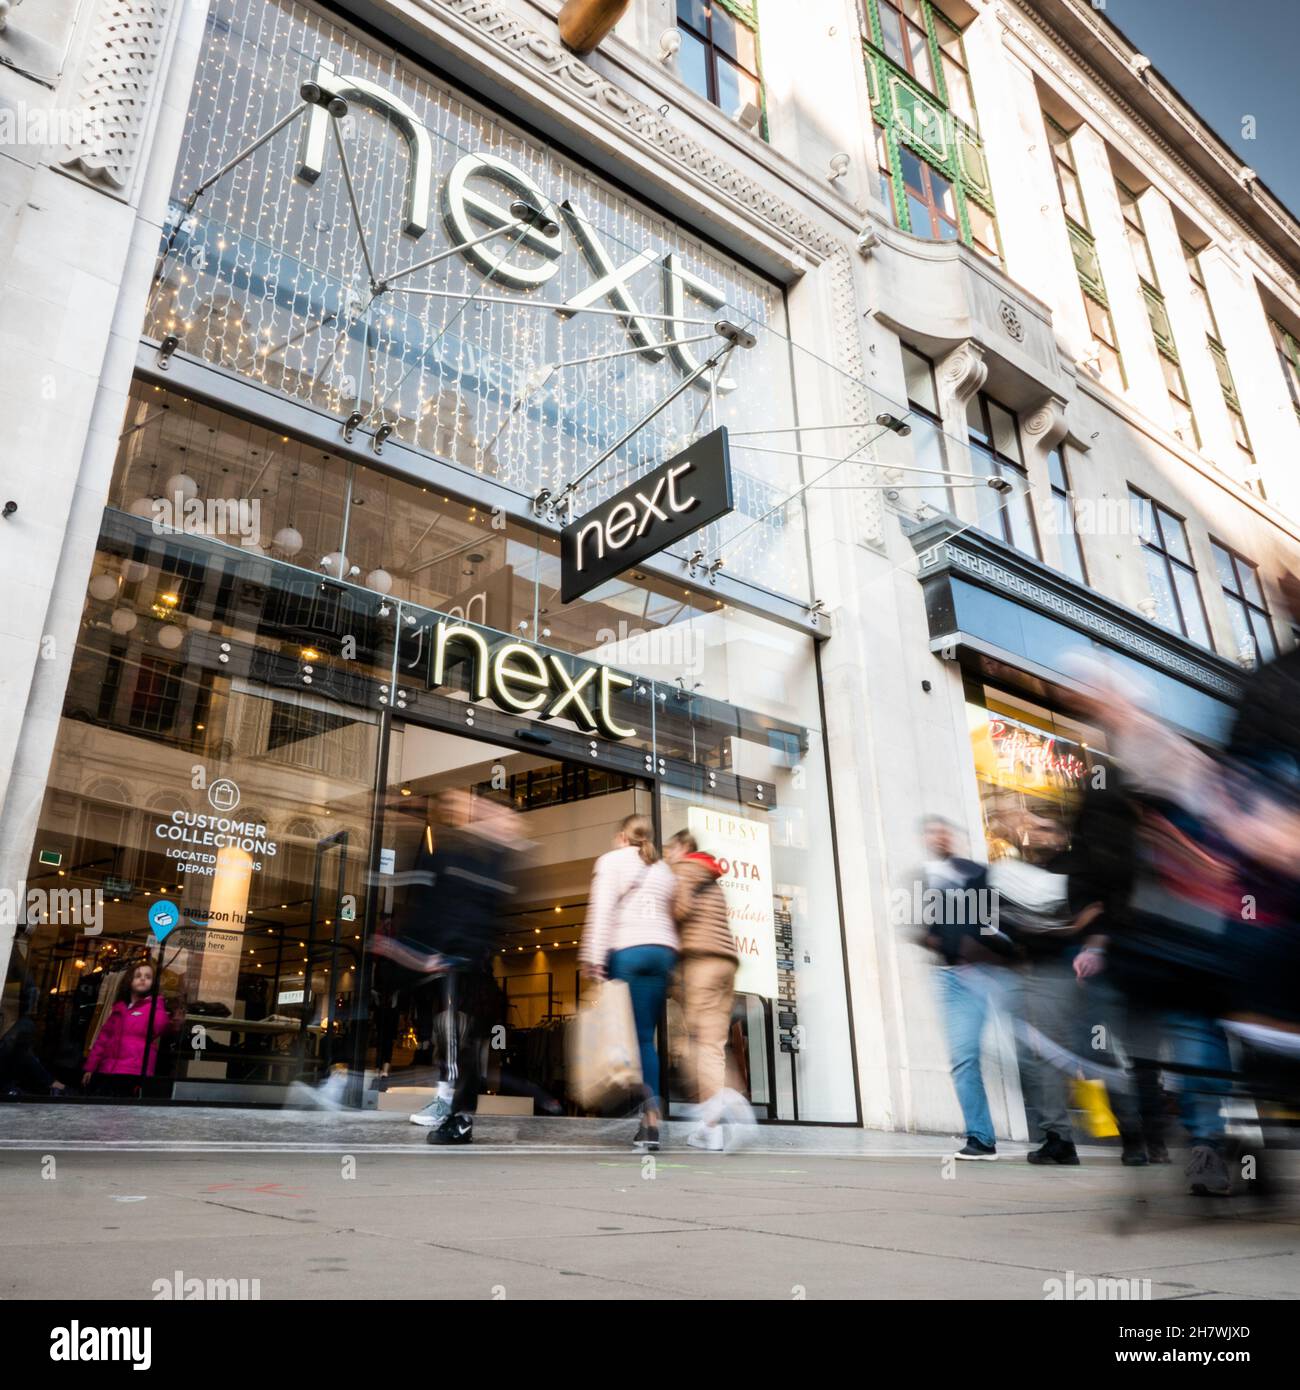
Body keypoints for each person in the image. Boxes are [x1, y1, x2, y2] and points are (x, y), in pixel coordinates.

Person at [911, 815, 1020, 1160]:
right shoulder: (923, 879)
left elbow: (994, 920)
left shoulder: (976, 872)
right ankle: (981, 1138)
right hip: (953, 978)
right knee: (963, 1057)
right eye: (931, 833)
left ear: (952, 837)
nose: (938, 838)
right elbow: (919, 926)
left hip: (990, 972)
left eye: (943, 832)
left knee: (1024, 1051)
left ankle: (1055, 1134)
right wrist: (934, 939)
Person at [580, 814, 679, 1151]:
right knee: (644, 1039)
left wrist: (593, 959)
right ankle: (650, 1122)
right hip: (662, 953)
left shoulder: (611, 861)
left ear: (622, 836)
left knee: (623, 1037)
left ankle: (644, 1114)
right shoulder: (663, 869)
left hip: (630, 953)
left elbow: (602, 911)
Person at [666, 829, 748, 1151]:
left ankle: (727, 1105)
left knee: (695, 1043)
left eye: (671, 848)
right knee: (713, 1044)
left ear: (684, 847)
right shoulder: (712, 877)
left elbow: (680, 911)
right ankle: (711, 1129)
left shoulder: (685, 870)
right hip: (725, 964)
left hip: (700, 964)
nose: (668, 854)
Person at [82, 958, 180, 1096]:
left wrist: (158, 1003)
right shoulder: (119, 1007)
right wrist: (91, 1067)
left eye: (148, 977)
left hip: (134, 1070)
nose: (143, 979)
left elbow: (159, 1027)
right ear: (129, 980)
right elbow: (102, 1040)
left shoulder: (154, 1006)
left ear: (153, 983)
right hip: (108, 1069)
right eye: (138, 976)